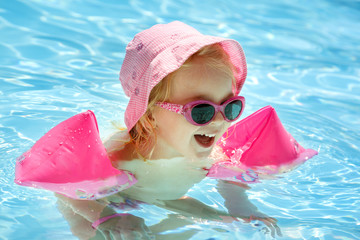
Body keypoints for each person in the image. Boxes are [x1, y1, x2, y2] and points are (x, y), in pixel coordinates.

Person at [57, 21, 281, 239]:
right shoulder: (120, 156)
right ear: (150, 114)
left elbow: (230, 179)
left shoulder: (210, 154)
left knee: (202, 226)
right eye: (200, 111)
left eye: (231, 107)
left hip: (166, 199)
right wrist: (106, 218)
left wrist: (238, 204)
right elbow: (66, 189)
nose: (219, 121)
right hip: (108, 202)